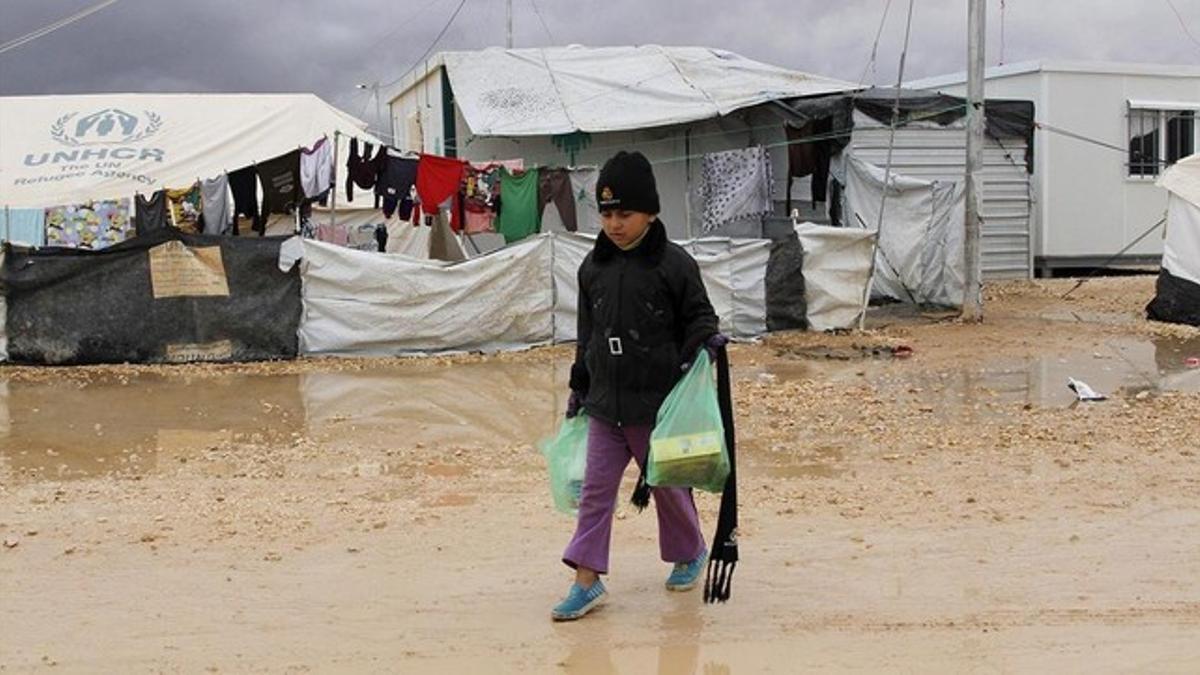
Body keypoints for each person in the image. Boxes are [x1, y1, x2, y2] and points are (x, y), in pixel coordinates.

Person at [553, 150, 727, 621]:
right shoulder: (592, 269)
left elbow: (700, 317)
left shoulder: (674, 265)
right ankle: (586, 581)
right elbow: (586, 335)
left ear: (650, 211)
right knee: (595, 492)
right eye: (606, 213)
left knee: (668, 488)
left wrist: (703, 346)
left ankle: (690, 552)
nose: (614, 224)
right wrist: (579, 387)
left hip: (659, 405)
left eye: (624, 213)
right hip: (607, 405)